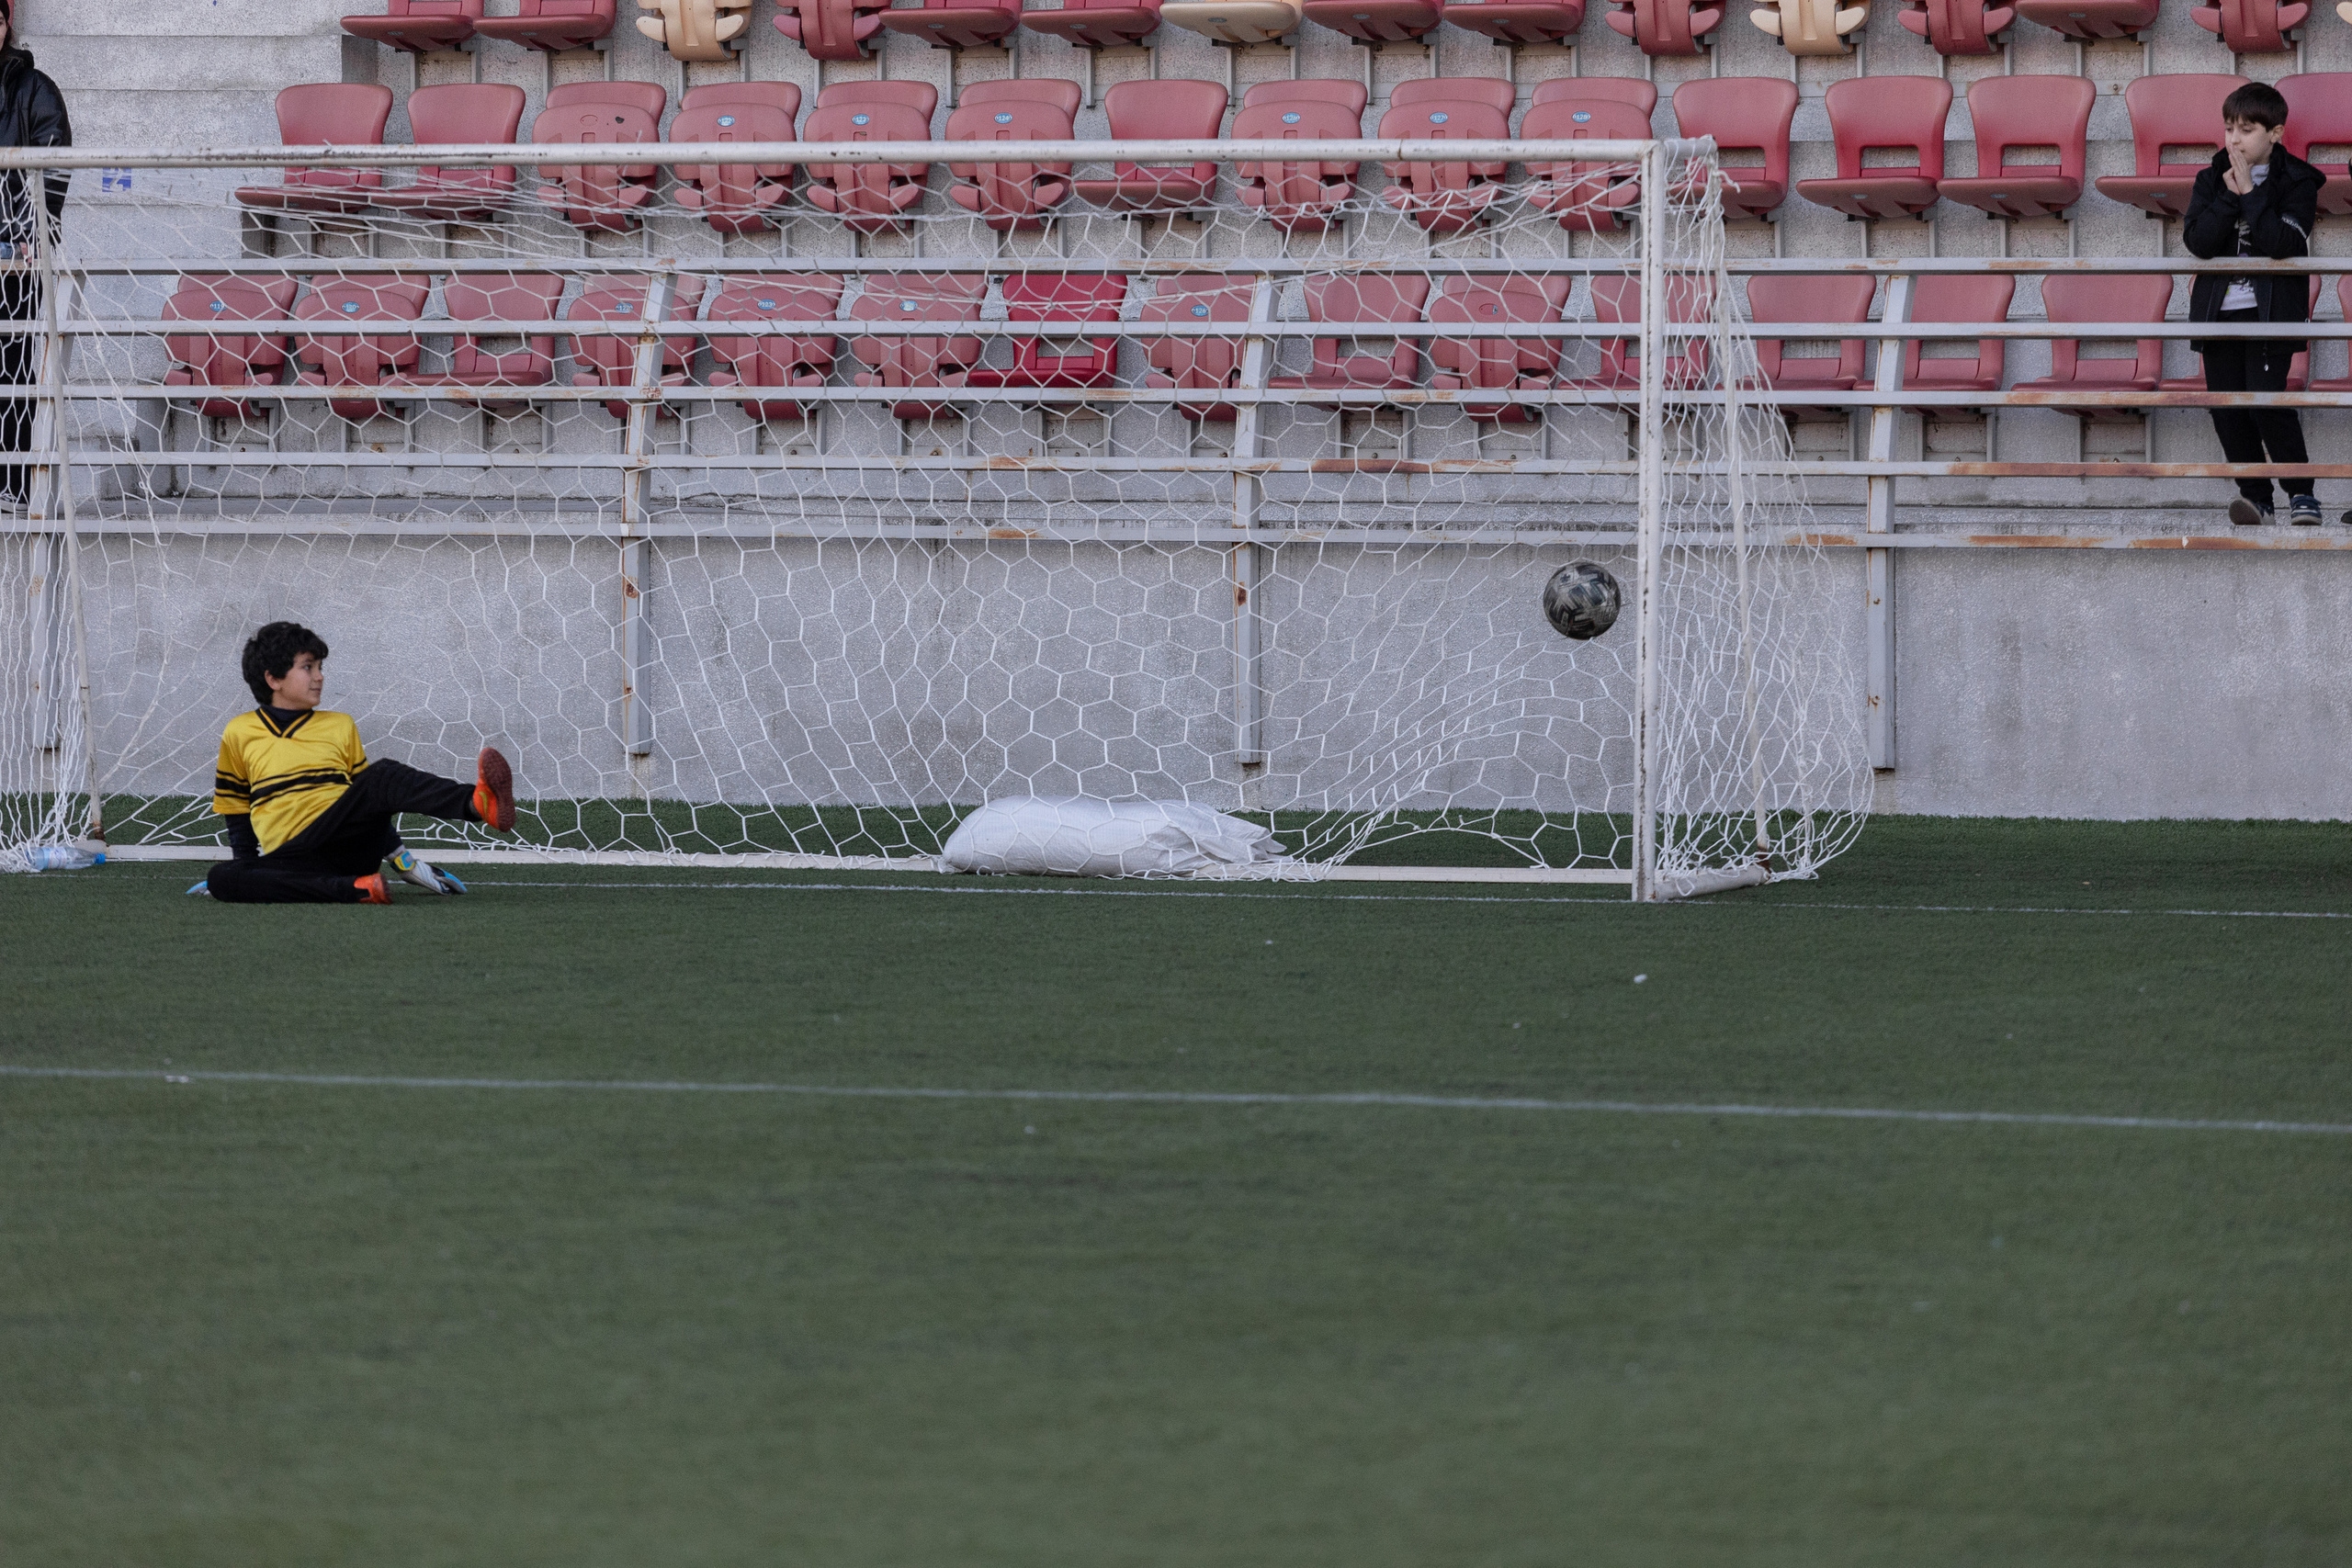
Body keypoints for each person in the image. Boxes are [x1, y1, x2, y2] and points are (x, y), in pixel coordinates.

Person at [201, 621, 515, 904]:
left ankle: (476, 803)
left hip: (351, 846)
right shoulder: (239, 731)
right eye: (308, 667)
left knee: (381, 776)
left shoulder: (340, 725)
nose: (320, 677)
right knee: (222, 878)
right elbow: (237, 811)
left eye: (320, 667)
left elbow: (370, 805)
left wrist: (406, 864)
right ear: (273, 679)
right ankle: (358, 890)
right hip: (293, 858)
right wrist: (245, 867)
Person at [2182, 82, 2326, 527]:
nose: (2234, 139)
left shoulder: (2299, 180)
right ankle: (2256, 497)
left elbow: (2282, 243)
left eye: (2246, 129)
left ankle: (2302, 495)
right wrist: (2228, 196)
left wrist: (2250, 193)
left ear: (2276, 133)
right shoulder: (2210, 179)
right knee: (2227, 407)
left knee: (2266, 403)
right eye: (2229, 128)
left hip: (2271, 314)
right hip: (2218, 314)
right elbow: (2198, 243)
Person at [0, 0, 70, 511]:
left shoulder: (35, 87)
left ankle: (14, 486)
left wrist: (29, 232)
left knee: (14, 366)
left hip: (13, 254)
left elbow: (53, 163)